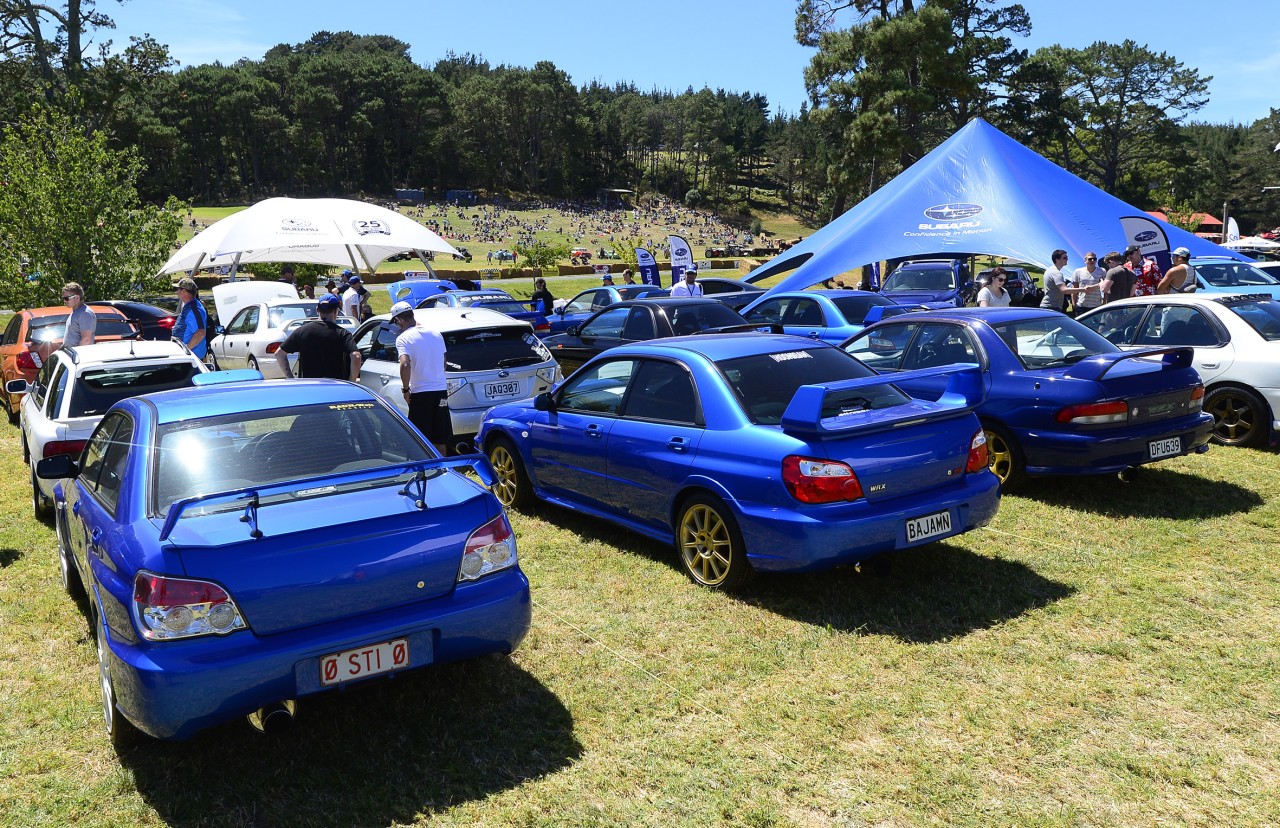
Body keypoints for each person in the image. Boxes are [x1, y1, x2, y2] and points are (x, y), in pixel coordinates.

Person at [390, 301, 450, 455]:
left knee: (419, 438)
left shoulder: (403, 339)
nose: (398, 326)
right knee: (439, 437)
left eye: (396, 322)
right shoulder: (436, 333)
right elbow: (443, 363)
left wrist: (405, 389)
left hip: (421, 392)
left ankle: (423, 470)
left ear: (400, 320)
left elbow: (405, 364)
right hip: (440, 390)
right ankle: (443, 470)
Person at [275, 293, 362, 380]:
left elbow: (279, 353)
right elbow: (356, 356)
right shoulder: (343, 334)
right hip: (336, 386)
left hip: (310, 386)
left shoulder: (302, 331)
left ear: (317, 310)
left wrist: (291, 378)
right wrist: (351, 381)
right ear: (336, 311)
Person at [1038, 250, 1094, 315]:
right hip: (1052, 307)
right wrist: (1084, 289)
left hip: (1049, 306)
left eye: (1067, 257)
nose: (1067, 259)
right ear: (1057, 260)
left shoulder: (1050, 269)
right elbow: (1064, 290)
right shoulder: (1056, 273)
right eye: (1064, 258)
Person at [172, 276, 208, 359]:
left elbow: (200, 332)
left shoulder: (193, 309)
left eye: (178, 289)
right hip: (189, 356)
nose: (177, 292)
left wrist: (186, 349)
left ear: (184, 291)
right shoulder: (191, 306)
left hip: (191, 357)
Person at [60, 282, 96, 347]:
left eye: (66, 298)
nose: (64, 301)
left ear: (77, 298)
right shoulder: (76, 312)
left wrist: (76, 356)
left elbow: (86, 340)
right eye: (64, 298)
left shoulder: (85, 313)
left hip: (80, 356)